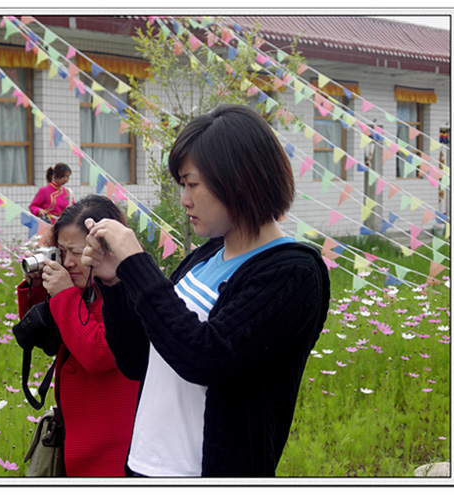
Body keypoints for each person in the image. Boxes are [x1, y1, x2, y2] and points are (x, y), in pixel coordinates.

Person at [81, 104, 331, 477]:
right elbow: (138, 360)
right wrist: (116, 281)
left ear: (240, 179)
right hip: (145, 465)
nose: (184, 199)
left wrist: (138, 264)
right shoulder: (210, 252)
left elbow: (205, 357)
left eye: (192, 183)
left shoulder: (293, 273)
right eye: (182, 185)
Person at [17, 194, 140, 477]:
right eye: (61, 252)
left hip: (115, 449)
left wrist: (64, 294)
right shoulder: (84, 290)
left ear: (106, 249)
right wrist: (37, 287)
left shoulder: (129, 292)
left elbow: (98, 353)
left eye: (77, 252)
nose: (68, 262)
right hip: (78, 442)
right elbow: (46, 339)